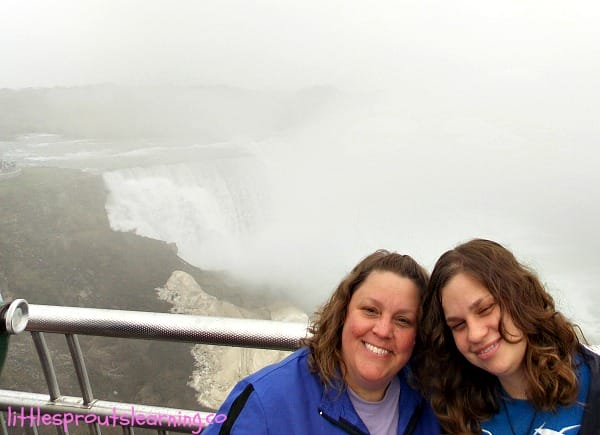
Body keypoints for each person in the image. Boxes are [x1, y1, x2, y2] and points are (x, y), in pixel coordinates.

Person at [202, 250, 441, 434]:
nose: (383, 330)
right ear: (343, 313)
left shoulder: (435, 403)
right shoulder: (265, 403)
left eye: (402, 320)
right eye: (370, 310)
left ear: (419, 334)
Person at [415, 238, 600, 434]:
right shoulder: (453, 410)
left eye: (485, 309)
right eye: (458, 325)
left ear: (521, 299)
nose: (476, 334)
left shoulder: (593, 386)